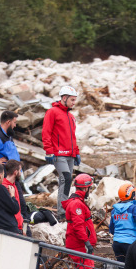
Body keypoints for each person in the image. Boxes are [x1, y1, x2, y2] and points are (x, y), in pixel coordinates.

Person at [42, 85, 81, 219]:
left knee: (67, 182)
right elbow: (46, 132)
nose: (74, 103)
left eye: (75, 100)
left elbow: (72, 136)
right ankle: (62, 212)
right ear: (64, 98)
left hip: (70, 154)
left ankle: (64, 208)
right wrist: (49, 151)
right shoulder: (52, 112)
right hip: (58, 154)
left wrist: (76, 152)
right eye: (72, 100)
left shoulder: (70, 116)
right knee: (66, 178)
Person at [61, 174, 98, 269]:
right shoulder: (77, 204)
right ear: (86, 188)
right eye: (89, 188)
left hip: (78, 244)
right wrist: (87, 243)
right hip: (79, 245)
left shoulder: (76, 202)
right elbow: (78, 225)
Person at [109, 183, 136, 262]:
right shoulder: (135, 209)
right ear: (132, 194)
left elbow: (112, 230)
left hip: (117, 244)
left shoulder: (114, 211)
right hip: (131, 243)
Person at [2, 160, 25, 233]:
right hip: (12, 227)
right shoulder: (5, 187)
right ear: (15, 172)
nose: (21, 173)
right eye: (20, 171)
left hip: (18, 225)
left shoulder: (13, 185)